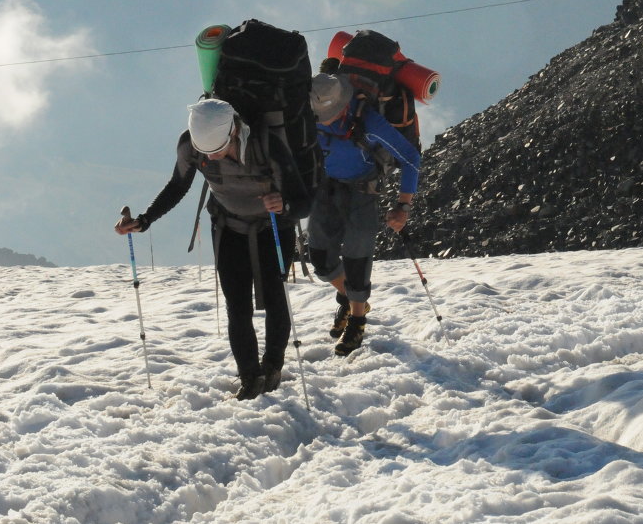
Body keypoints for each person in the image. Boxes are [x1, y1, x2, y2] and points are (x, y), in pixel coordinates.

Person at [113, 99, 311, 400]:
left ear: (234, 131)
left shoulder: (266, 144)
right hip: (228, 226)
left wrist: (285, 205)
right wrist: (145, 220)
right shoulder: (190, 145)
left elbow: (303, 198)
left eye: (217, 149)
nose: (213, 157)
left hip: (273, 226)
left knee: (274, 297)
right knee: (238, 305)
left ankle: (272, 367)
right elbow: (178, 185)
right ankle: (249, 378)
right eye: (207, 153)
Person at [307, 73, 421, 356]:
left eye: (328, 115)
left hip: (362, 192)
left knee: (357, 260)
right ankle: (349, 298)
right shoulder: (308, 113)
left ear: (343, 105)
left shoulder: (369, 120)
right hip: (325, 187)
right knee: (320, 260)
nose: (323, 120)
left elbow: (410, 158)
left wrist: (403, 207)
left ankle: (357, 320)